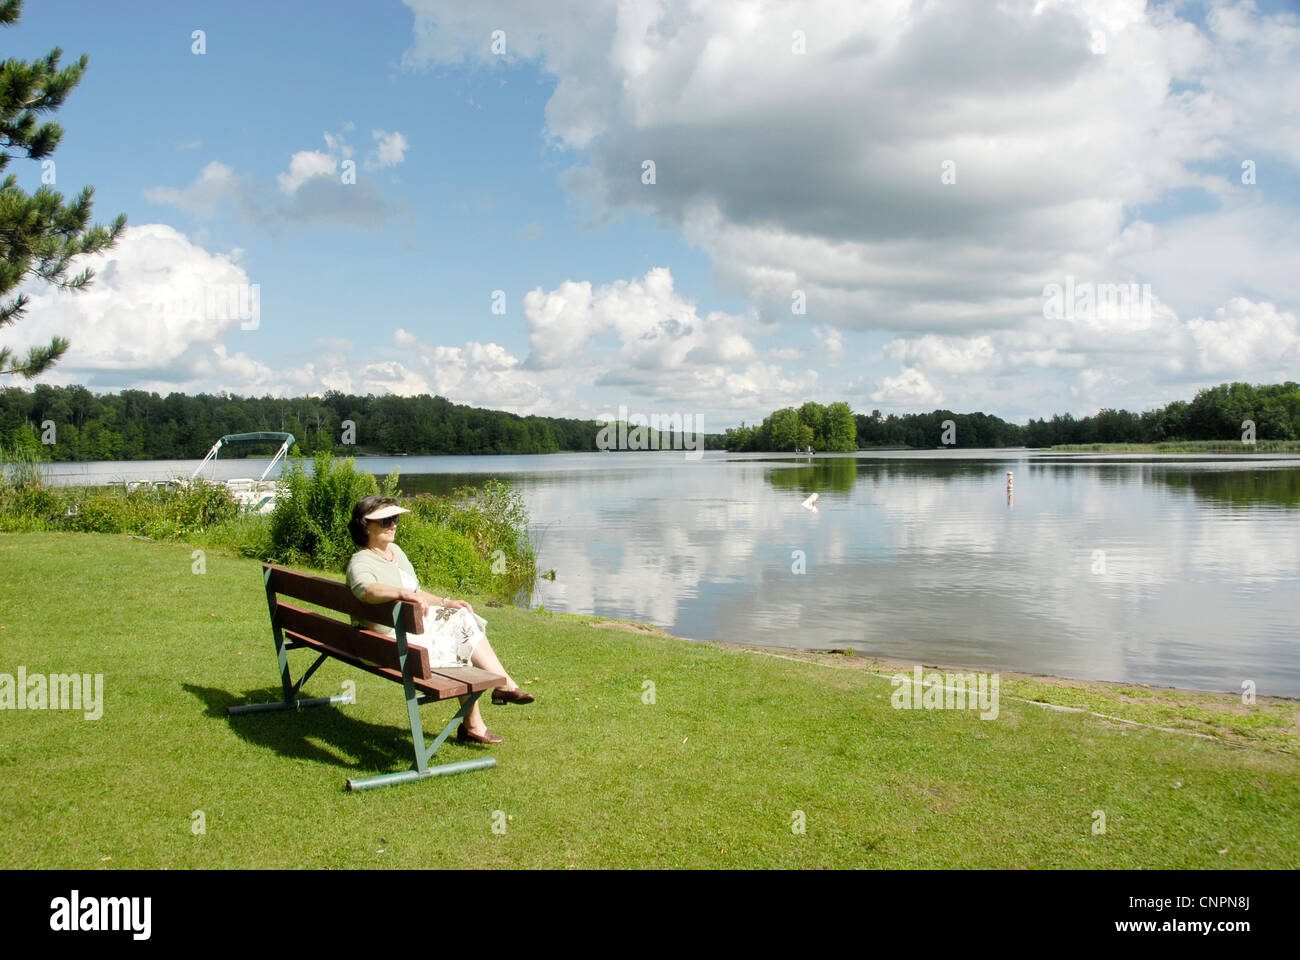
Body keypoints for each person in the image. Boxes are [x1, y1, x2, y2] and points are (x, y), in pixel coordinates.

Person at [344, 494, 533, 745]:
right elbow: (366, 590)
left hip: (405, 633)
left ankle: (496, 697)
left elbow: (416, 592)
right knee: (461, 639)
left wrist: (445, 602)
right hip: (387, 645)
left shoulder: (395, 552)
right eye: (386, 520)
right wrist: (401, 593)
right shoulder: (361, 561)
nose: (394, 525)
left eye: (395, 518)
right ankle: (496, 698)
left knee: (461, 617)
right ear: (366, 525)